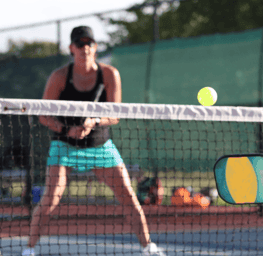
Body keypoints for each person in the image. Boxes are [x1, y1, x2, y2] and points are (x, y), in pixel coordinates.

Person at [22, 26, 165, 256]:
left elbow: (115, 114)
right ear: (71, 49)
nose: (85, 48)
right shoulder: (59, 77)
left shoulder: (109, 74)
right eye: (80, 44)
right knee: (50, 199)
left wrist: (93, 121)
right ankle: (29, 249)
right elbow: (43, 114)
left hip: (100, 146)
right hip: (64, 145)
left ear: (96, 48)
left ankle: (148, 247)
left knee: (129, 197)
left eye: (89, 43)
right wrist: (66, 129)